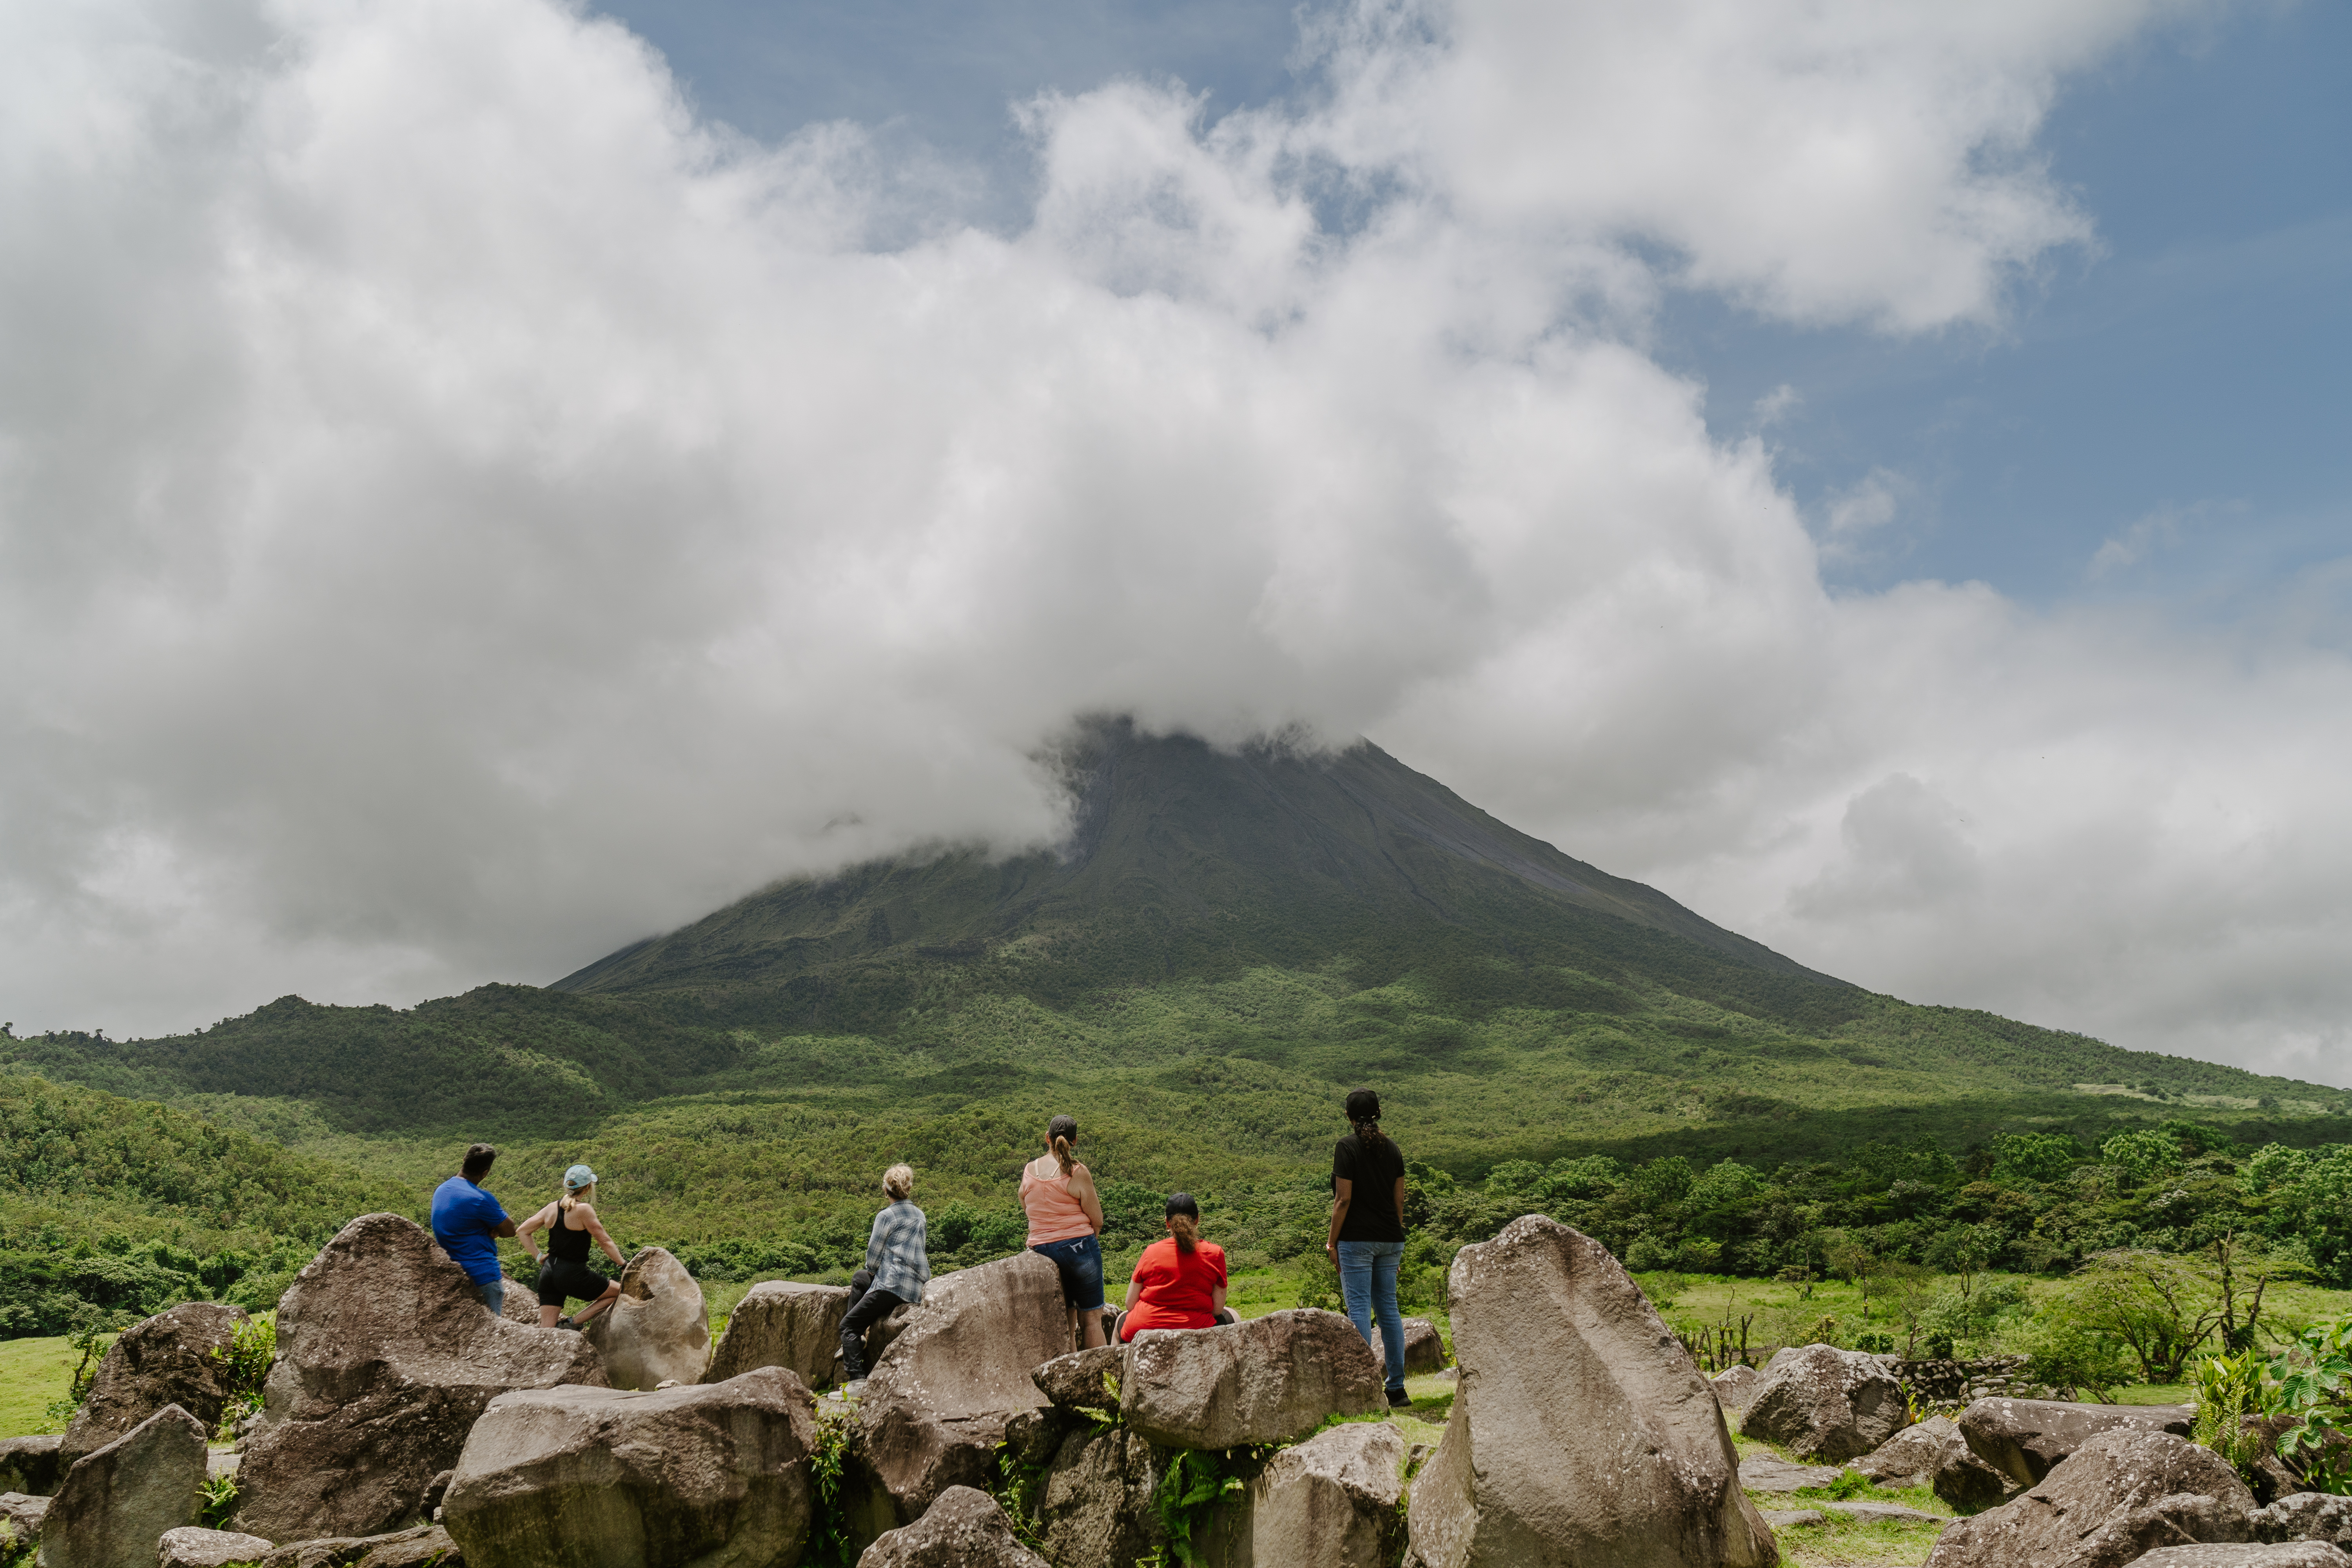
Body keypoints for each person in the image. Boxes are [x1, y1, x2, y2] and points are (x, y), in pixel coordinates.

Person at [1325, 1089, 1410, 1408]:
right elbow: (1399, 1200)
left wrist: (1332, 1242)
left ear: (1349, 1116)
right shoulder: (1393, 1149)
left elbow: (1343, 1199)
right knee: (1389, 1309)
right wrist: (1395, 1240)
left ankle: (1364, 1386)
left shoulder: (1346, 1147)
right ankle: (1397, 1389)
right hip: (1391, 1237)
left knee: (1359, 1308)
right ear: (1378, 1114)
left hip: (1356, 1239)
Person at [1019, 1114, 1108, 1350]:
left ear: (1046, 1138)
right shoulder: (1078, 1172)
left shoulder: (1030, 1170)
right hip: (1079, 1249)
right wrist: (1090, 1240)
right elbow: (1097, 1219)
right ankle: (1102, 1382)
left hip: (1040, 1252)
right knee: (1091, 1320)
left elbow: (1026, 1206)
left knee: (1066, 1324)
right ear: (1075, 1141)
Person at [839, 1163, 928, 1396]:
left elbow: (873, 1257)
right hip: (916, 1287)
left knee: (847, 1325)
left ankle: (857, 1380)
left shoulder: (886, 1216)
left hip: (891, 1285)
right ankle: (858, 1338)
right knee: (859, 1278)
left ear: (886, 1191)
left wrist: (873, 1270)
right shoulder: (920, 1215)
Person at [515, 1164, 626, 1330]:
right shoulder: (584, 1210)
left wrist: (539, 1257)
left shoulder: (551, 1208)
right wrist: (623, 1265)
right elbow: (604, 1241)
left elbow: (523, 1231)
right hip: (572, 1273)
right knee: (620, 1292)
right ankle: (572, 1323)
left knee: (547, 1331)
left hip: (548, 1273)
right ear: (588, 1188)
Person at [1116, 1192, 1233, 1342]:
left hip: (1144, 1330)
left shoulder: (1151, 1251)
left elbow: (1130, 1304)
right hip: (1197, 1330)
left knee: (1120, 1320)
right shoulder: (1215, 1253)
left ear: (1167, 1222)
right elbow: (1217, 1309)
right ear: (1197, 1219)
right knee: (1232, 1316)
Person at [431, 1143, 518, 1316]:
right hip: (483, 1276)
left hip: (453, 1274)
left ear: (464, 1160)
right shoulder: (481, 1199)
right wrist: (494, 1229)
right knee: (491, 1335)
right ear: (485, 1173)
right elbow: (510, 1231)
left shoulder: (441, 1191)